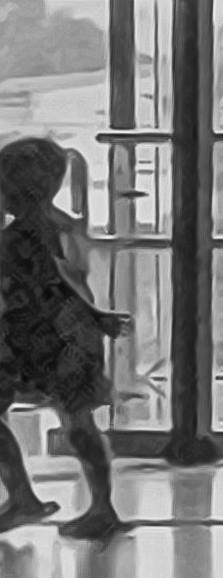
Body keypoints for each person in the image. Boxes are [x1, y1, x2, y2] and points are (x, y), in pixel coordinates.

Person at [0, 134, 126, 536]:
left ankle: (23, 497)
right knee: (79, 420)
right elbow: (70, 278)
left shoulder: (18, 237)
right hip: (71, 336)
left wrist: (93, 314)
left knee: (73, 419)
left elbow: (51, 282)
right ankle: (101, 507)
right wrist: (95, 316)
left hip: (39, 339)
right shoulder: (64, 226)